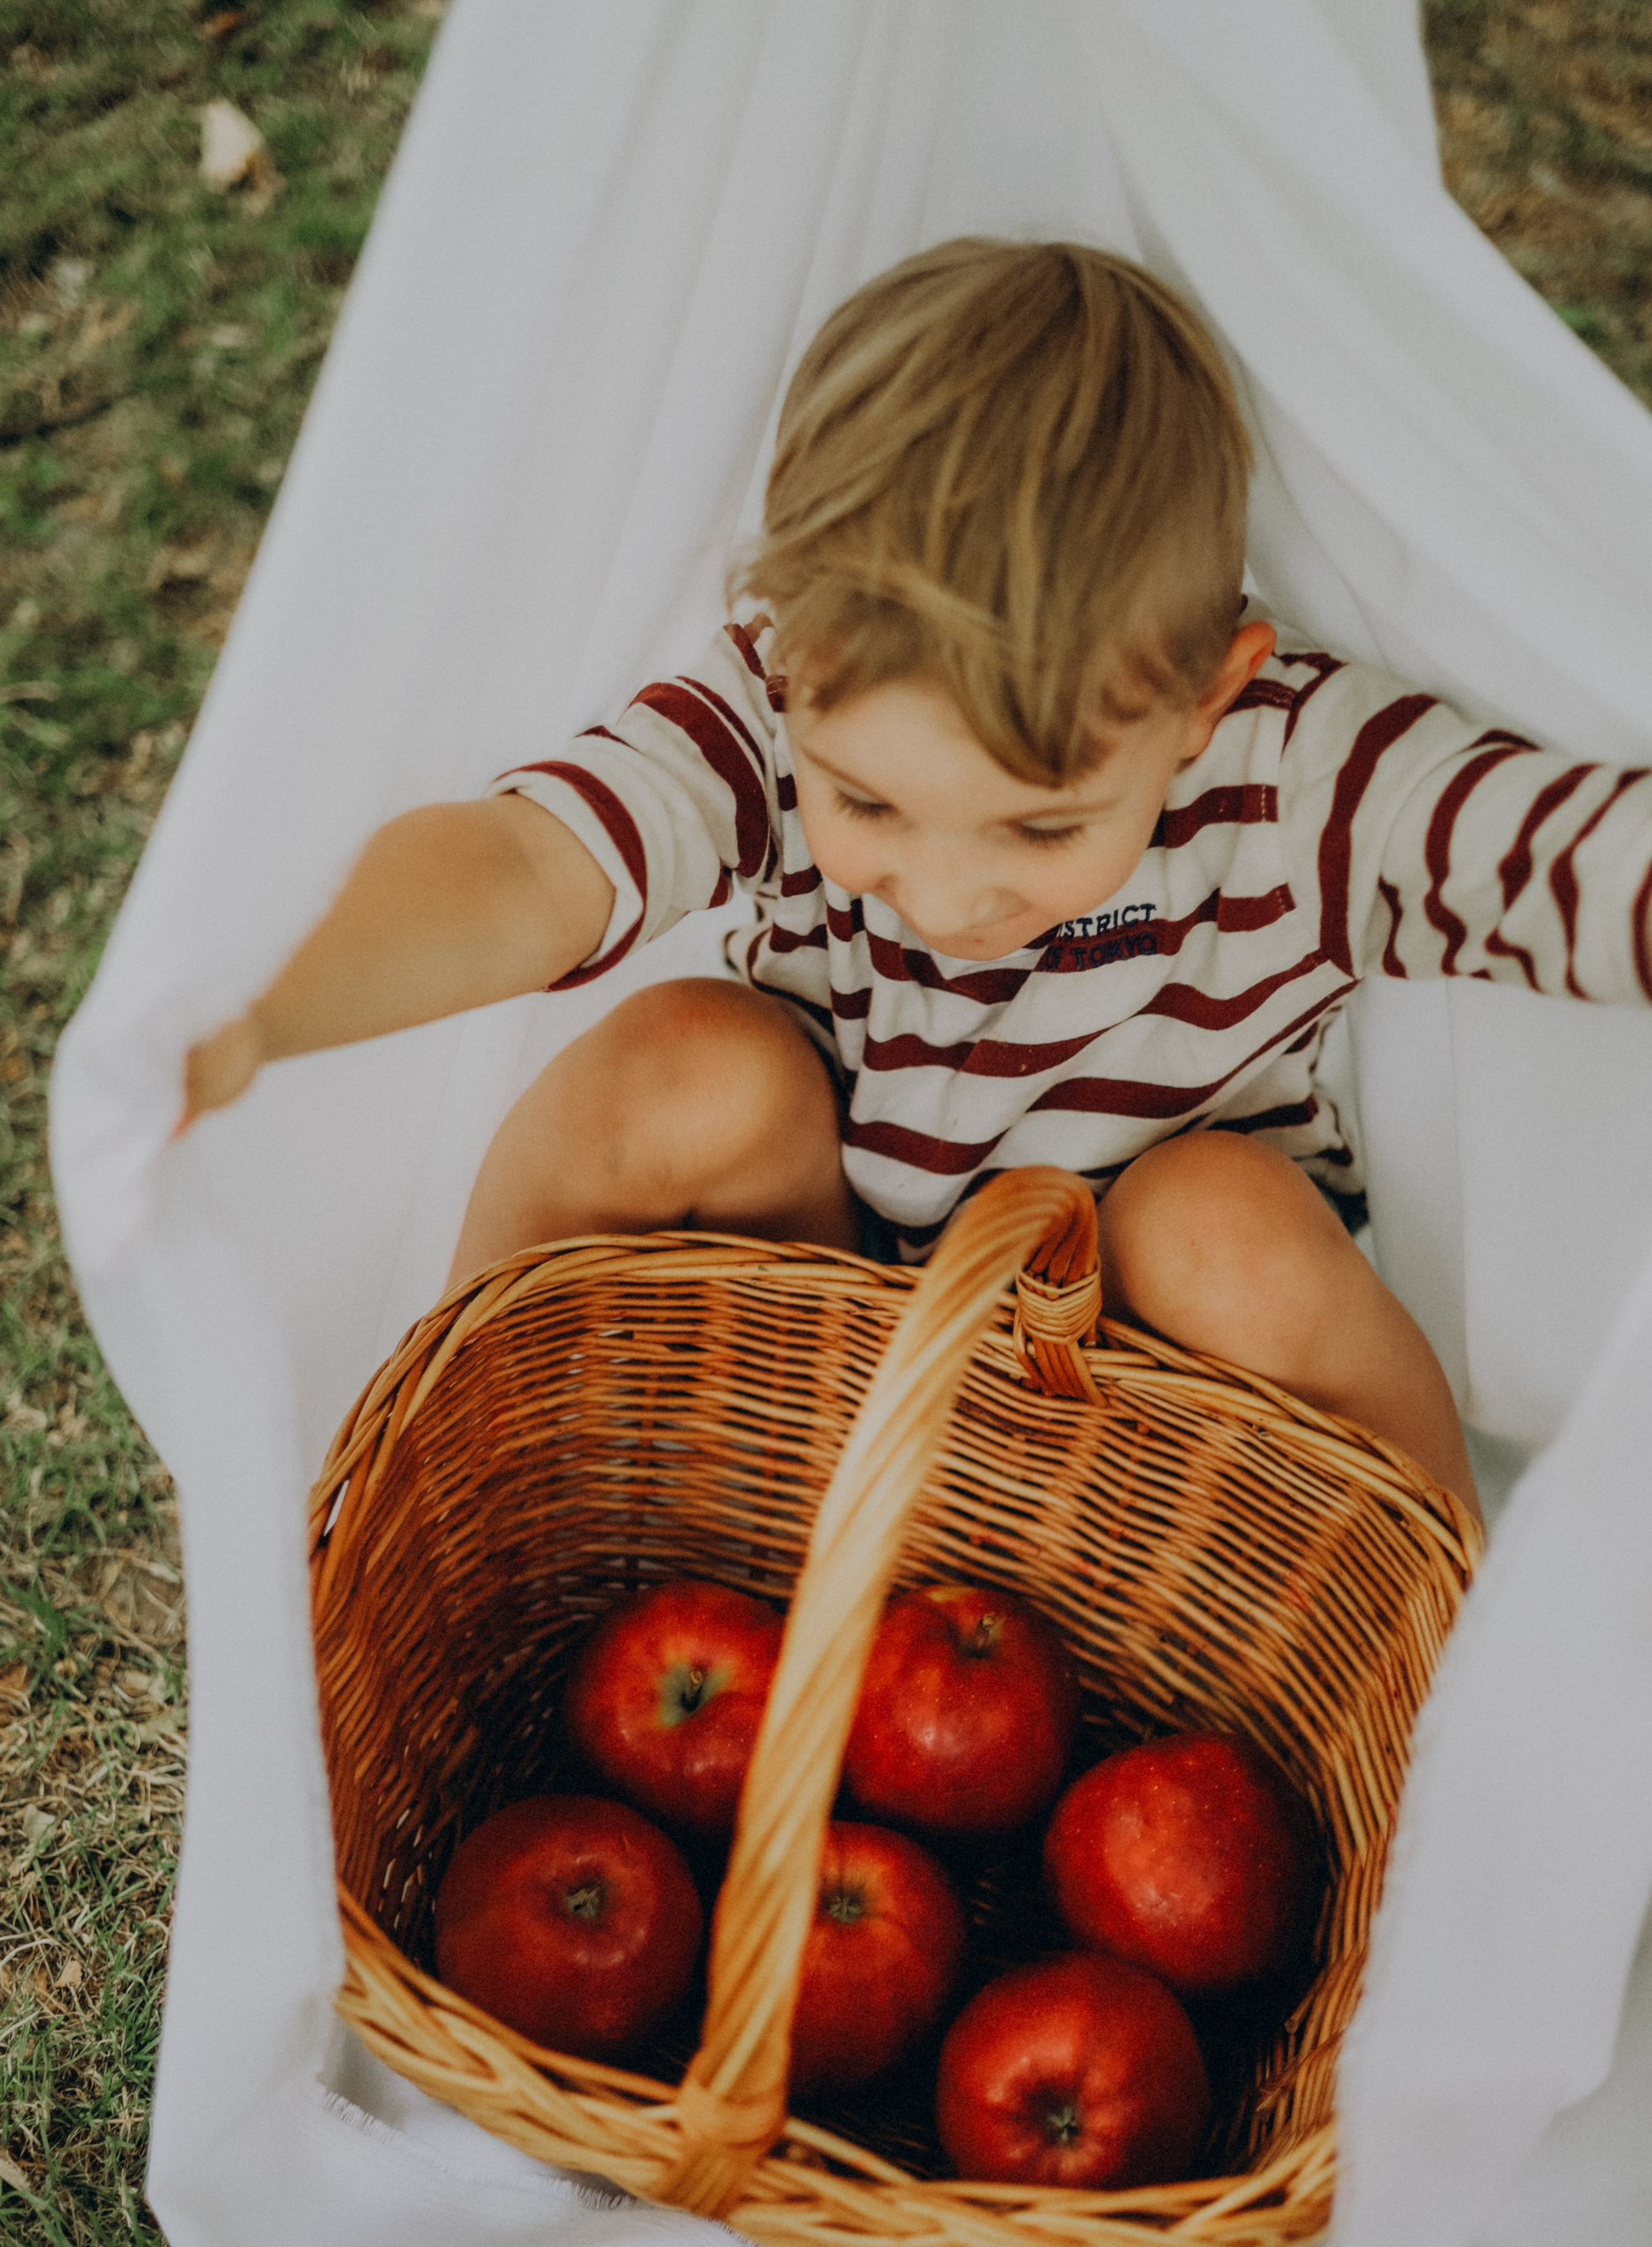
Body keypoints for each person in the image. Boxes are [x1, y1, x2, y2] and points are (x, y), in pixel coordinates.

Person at [183, 240, 1652, 1526]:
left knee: (1215, 1219)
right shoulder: (771, 697)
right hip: (827, 1338)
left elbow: (1557, 862)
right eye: (867, 800)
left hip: (1156, 1406)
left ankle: (1431, 1635)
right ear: (782, 645)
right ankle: (467, 1459)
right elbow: (525, 864)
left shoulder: (1290, 773)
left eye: (1041, 829)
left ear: (1205, 699)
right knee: (692, 1063)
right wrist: (266, 1002)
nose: (946, 897)